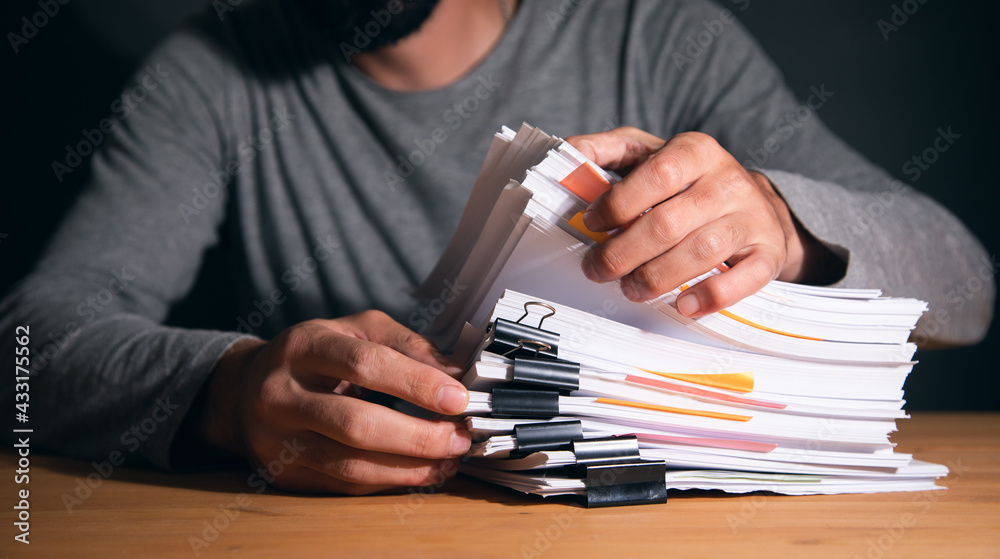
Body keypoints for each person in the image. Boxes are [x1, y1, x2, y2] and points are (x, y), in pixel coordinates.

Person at [1, 0, 993, 495]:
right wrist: (225, 388)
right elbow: (27, 348)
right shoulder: (208, 77)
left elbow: (964, 282)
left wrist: (780, 223)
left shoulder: (655, 36)